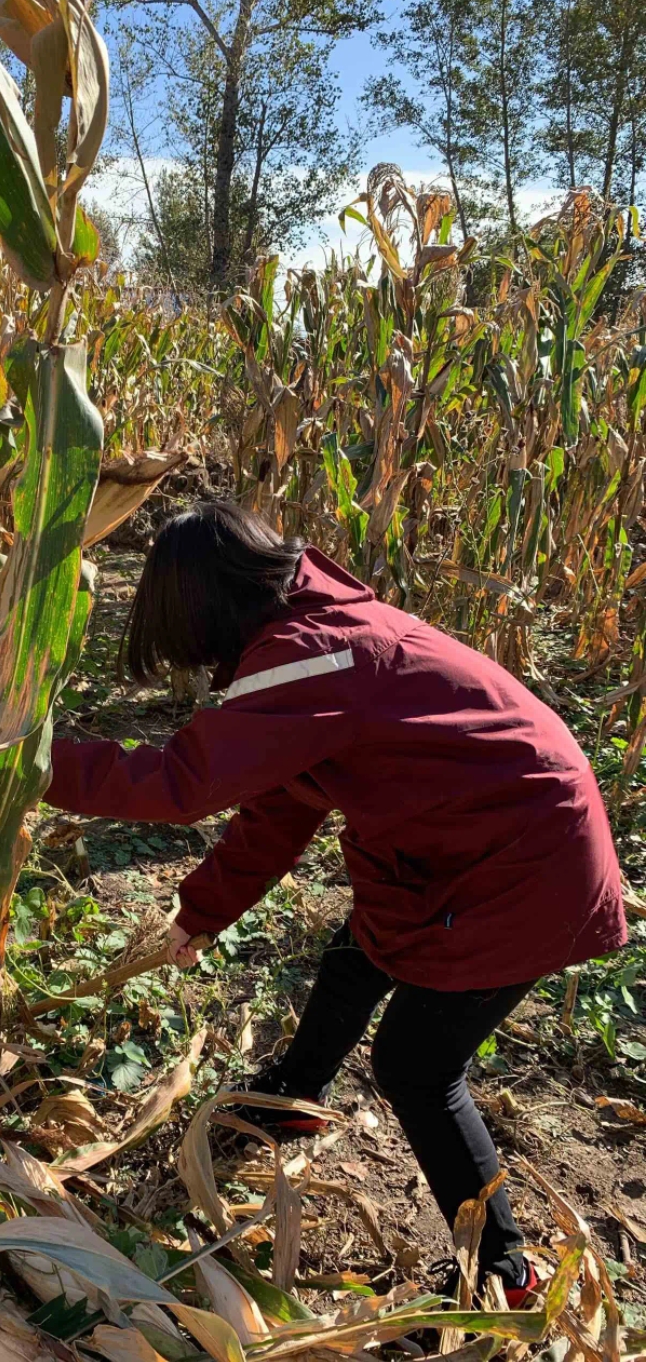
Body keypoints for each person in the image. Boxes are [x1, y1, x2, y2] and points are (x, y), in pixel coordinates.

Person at [43, 500, 626, 1305]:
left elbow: (180, 782)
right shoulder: (314, 642)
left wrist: (37, 764)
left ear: (201, 609)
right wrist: (205, 910)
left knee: (417, 1067)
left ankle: (503, 1271)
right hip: (468, 843)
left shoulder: (314, 657)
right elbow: (280, 809)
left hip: (522, 862)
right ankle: (295, 1098)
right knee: (358, 955)